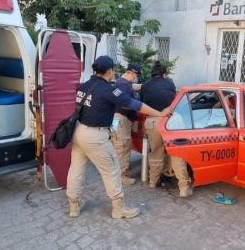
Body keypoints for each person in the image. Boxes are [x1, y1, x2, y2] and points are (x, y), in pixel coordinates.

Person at [66, 56, 173, 219]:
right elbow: (134, 104)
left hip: (79, 132)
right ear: (110, 71)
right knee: (112, 170)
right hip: (96, 135)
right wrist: (159, 113)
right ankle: (118, 208)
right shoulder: (108, 90)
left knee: (76, 169)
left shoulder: (85, 86)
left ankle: (74, 205)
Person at [140, 60, 193, 198]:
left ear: (152, 74)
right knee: (176, 154)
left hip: (152, 120)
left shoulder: (145, 85)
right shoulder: (170, 83)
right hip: (170, 121)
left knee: (156, 152)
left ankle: (153, 182)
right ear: (164, 74)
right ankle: (183, 187)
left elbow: (142, 104)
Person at [112, 63, 142, 186]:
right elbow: (125, 104)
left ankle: (119, 170)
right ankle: (121, 177)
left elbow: (132, 87)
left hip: (117, 118)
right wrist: (139, 106)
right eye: (136, 75)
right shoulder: (124, 85)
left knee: (117, 146)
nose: (136, 78)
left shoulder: (121, 82)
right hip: (122, 119)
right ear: (132, 73)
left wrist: (144, 86)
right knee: (123, 147)